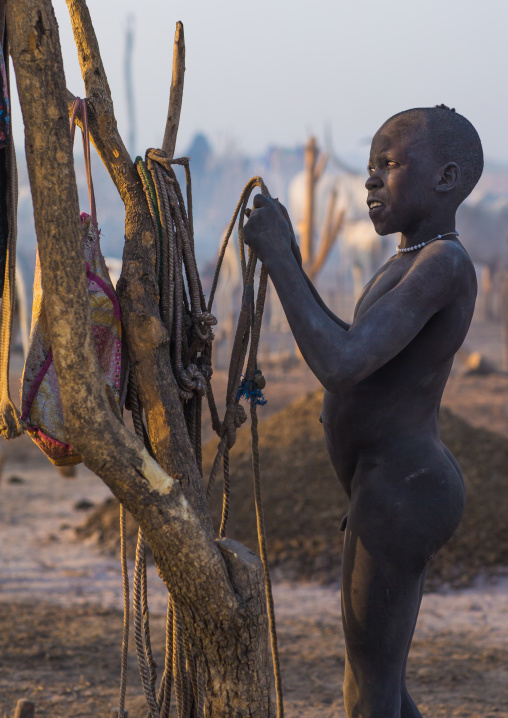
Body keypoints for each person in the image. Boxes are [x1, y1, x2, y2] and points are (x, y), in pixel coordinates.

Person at [243, 105, 482, 718]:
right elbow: (353, 343)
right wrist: (290, 257)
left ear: (445, 179)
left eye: (390, 164)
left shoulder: (444, 265)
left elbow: (342, 362)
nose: (371, 180)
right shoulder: (409, 259)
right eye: (370, 167)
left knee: (366, 692)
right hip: (386, 485)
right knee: (380, 680)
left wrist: (279, 260)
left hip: (403, 487)